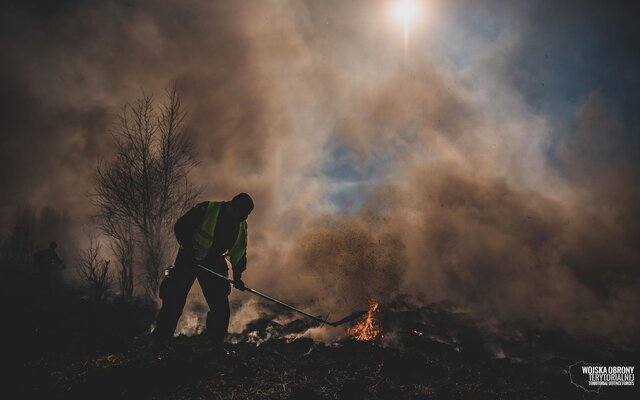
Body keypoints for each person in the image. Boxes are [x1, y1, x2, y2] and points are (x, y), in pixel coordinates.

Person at [153, 192, 254, 349]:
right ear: (233, 207)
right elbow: (181, 226)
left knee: (220, 306)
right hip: (189, 257)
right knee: (174, 299)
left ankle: (214, 345)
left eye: (247, 215)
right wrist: (188, 250)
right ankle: (159, 341)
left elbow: (239, 252)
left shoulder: (240, 225)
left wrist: (238, 277)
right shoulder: (207, 209)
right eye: (243, 214)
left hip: (213, 261)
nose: (245, 218)